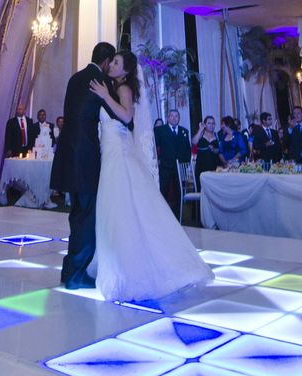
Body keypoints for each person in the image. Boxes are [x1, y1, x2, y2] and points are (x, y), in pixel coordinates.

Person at [88, 50, 212, 302]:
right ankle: (121, 261)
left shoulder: (124, 89)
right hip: (111, 152)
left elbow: (126, 116)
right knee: (120, 209)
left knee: (121, 207)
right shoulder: (115, 86)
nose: (111, 65)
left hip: (120, 155)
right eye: (111, 61)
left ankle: (132, 270)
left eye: (116, 62)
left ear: (126, 70)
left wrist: (103, 96)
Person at [50, 42, 116, 290]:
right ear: (107, 61)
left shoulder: (75, 78)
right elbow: (116, 115)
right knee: (87, 218)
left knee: (77, 215)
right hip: (85, 158)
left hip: (67, 156)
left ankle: (68, 271)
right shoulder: (102, 83)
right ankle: (77, 275)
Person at [154, 108, 192, 217]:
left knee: (179, 193)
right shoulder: (160, 130)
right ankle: (161, 215)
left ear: (179, 118)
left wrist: (185, 164)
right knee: (163, 191)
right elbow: (155, 148)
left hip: (179, 168)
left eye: (176, 116)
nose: (174, 118)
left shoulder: (184, 131)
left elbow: (187, 150)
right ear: (168, 118)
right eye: (172, 116)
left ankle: (177, 216)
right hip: (165, 166)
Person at [192, 115, 220, 185]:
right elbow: (194, 142)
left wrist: (214, 150)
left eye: (213, 123)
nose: (211, 125)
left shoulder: (217, 135)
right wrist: (200, 129)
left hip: (214, 166)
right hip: (201, 166)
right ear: (205, 124)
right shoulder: (201, 134)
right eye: (209, 123)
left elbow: (220, 150)